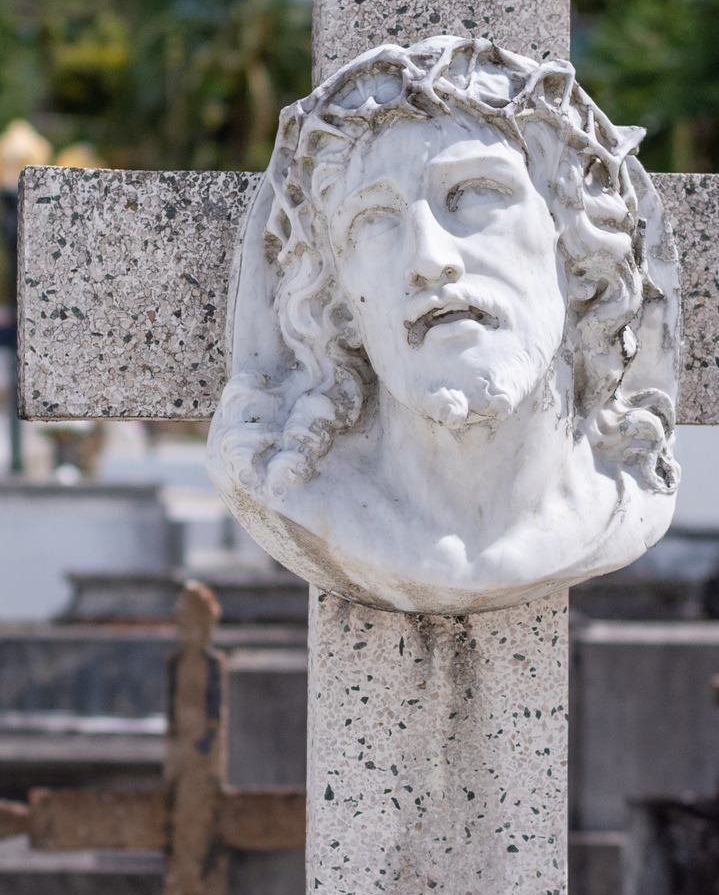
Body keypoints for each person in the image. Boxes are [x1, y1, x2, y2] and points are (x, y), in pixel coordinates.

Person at [208, 36, 679, 611]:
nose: (430, 260)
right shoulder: (305, 502)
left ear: (578, 253)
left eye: (476, 193)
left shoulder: (626, 502)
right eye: (374, 220)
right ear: (339, 308)